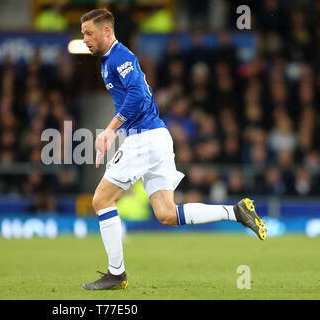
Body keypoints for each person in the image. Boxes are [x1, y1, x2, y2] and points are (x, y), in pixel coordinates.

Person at [80, 8, 267, 291]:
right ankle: (236, 212)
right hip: (157, 137)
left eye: (89, 33)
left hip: (143, 139)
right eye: (83, 34)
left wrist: (110, 130)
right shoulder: (108, 62)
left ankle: (116, 274)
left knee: (101, 200)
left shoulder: (120, 57)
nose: (85, 39)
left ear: (107, 31)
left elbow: (139, 95)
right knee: (167, 214)